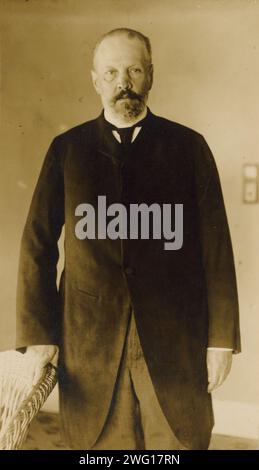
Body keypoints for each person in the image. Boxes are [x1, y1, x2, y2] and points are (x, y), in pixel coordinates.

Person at [16, 28, 241, 450]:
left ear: (150, 75)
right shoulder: (67, 149)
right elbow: (37, 244)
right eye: (113, 71)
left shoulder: (190, 148)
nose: (124, 82)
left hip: (176, 340)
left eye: (135, 70)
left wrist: (221, 340)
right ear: (95, 80)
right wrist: (40, 334)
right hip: (91, 343)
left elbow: (217, 251)